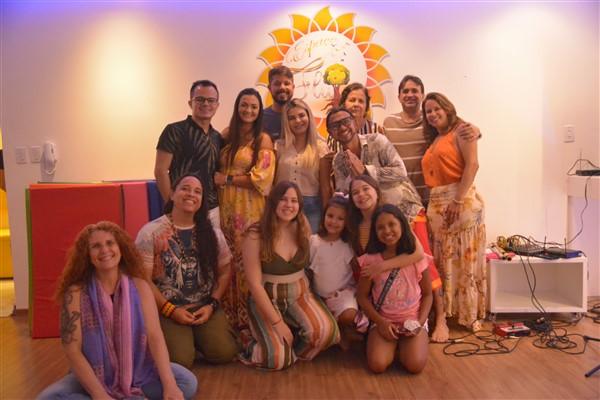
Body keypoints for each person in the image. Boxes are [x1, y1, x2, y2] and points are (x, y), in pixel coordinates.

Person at [39, 221, 197, 400]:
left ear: (121, 248)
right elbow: (72, 350)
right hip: (93, 374)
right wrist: (99, 395)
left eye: (110, 243)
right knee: (48, 398)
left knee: (186, 382)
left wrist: (170, 385)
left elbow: (155, 337)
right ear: (87, 255)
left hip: (139, 370)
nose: (104, 250)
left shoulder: (140, 286)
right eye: (96, 246)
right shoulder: (75, 293)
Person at [135, 175, 239, 369]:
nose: (191, 194)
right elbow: (143, 280)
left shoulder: (212, 233)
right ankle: (183, 340)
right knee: (181, 361)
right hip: (167, 308)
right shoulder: (149, 233)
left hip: (203, 306)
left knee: (224, 353)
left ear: (202, 200)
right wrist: (170, 310)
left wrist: (212, 304)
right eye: (185, 188)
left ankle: (197, 338)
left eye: (197, 191)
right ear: (172, 194)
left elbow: (226, 271)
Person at [240, 181, 339, 370]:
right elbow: (254, 285)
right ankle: (251, 342)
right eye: (283, 199)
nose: (289, 205)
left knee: (325, 333)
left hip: (300, 295)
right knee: (278, 360)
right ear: (273, 202)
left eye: (294, 201)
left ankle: (285, 347)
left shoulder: (302, 226)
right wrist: (277, 324)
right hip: (268, 299)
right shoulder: (255, 234)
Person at [347, 175, 447, 342]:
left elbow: (418, 253)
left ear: (376, 192)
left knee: (426, 267)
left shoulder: (391, 215)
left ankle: (440, 318)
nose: (361, 195)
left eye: (366, 189)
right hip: (378, 284)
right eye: (355, 192)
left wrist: (382, 266)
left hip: (402, 274)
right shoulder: (354, 224)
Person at [421, 92, 486, 332]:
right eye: (428, 111)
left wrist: (458, 200)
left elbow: (473, 164)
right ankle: (448, 313)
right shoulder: (436, 138)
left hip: (459, 201)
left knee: (463, 260)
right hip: (438, 204)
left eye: (436, 109)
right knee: (444, 261)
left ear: (447, 108)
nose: (433, 114)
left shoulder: (463, 130)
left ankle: (468, 314)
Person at [214, 88, 275, 331]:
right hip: (226, 209)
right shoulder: (226, 135)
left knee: (247, 264)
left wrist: (227, 179)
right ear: (237, 107)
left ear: (259, 111)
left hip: (250, 209)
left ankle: (252, 324)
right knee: (227, 262)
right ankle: (231, 323)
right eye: (244, 105)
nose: (248, 110)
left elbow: (263, 179)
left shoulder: (263, 139)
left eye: (253, 106)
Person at [357, 204, 432, 374]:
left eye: (392, 224)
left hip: (413, 319)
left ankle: (405, 346)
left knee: (415, 365)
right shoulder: (370, 260)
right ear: (374, 232)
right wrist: (381, 322)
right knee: (377, 365)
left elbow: (428, 294)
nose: (387, 231)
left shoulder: (417, 258)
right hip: (383, 319)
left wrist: (419, 323)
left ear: (402, 225)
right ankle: (392, 346)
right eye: (380, 227)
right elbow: (361, 296)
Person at [383, 75, 480, 205]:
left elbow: (454, 128)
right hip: (402, 197)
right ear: (399, 97)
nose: (410, 95)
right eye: (405, 91)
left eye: (414, 91)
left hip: (431, 196)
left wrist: (476, 130)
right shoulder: (388, 123)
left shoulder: (432, 122)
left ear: (422, 96)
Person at [154, 80, 223, 227]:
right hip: (182, 206)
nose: (205, 103)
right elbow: (160, 171)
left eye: (211, 100)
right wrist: (172, 205)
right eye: (200, 99)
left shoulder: (217, 137)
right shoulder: (174, 131)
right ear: (190, 103)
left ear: (217, 105)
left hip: (212, 209)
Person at [307, 195, 368, 349]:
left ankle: (343, 328)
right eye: (330, 216)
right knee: (317, 328)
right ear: (324, 216)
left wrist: (360, 295)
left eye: (340, 219)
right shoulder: (313, 242)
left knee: (349, 315)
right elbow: (308, 271)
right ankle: (336, 330)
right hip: (320, 296)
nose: (334, 221)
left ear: (346, 222)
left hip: (343, 294)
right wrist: (310, 293)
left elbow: (356, 269)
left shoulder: (347, 244)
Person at [275, 98, 328, 233]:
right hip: (282, 205)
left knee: (310, 244)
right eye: (292, 118)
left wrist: (326, 214)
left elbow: (325, 186)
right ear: (286, 122)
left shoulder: (321, 147)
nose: (298, 121)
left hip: (311, 206)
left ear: (309, 116)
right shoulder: (279, 146)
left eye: (301, 115)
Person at [262, 65, 295, 141]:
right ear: (269, 88)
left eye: (286, 83)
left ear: (293, 87)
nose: (282, 87)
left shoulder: (302, 117)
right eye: (277, 84)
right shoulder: (260, 118)